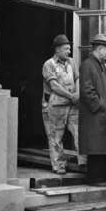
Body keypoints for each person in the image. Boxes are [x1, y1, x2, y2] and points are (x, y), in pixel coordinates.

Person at [42, 34, 85, 175]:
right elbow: (54, 86)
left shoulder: (71, 62)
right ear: (58, 49)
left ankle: (84, 163)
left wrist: (78, 93)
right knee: (56, 137)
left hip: (72, 105)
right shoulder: (49, 64)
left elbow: (78, 78)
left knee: (80, 133)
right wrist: (71, 96)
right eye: (66, 49)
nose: (69, 51)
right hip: (55, 106)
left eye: (69, 48)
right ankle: (59, 166)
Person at [79, 34, 106, 186]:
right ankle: (95, 179)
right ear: (100, 49)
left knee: (103, 147)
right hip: (97, 116)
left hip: (103, 116)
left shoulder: (99, 65)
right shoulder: (88, 65)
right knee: (96, 148)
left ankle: (102, 178)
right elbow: (87, 90)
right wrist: (100, 106)